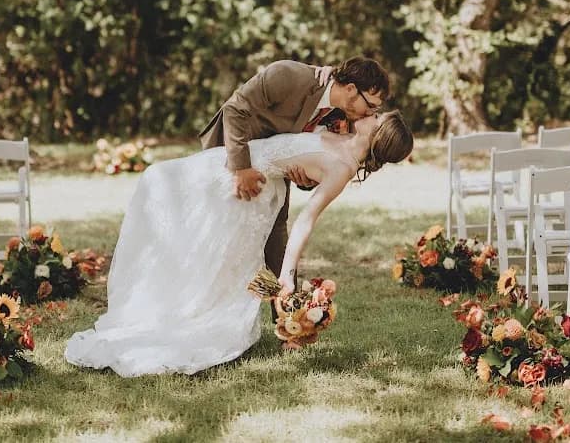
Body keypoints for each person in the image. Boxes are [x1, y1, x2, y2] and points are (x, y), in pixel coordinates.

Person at [64, 107, 413, 377]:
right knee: (164, 191)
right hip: (236, 168)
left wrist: (287, 274)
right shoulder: (341, 134)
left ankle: (176, 317)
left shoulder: (343, 168)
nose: (372, 113)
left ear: (379, 133)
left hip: (246, 190)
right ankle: (163, 304)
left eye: (378, 116)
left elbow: (307, 220)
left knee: (184, 219)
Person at [199, 57, 389, 319]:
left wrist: (306, 180)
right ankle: (208, 313)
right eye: (370, 106)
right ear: (350, 88)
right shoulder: (287, 75)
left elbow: (310, 154)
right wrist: (240, 168)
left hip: (272, 176)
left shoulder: (339, 116)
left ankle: (290, 321)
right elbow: (235, 109)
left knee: (277, 235)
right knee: (220, 241)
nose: (369, 114)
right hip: (229, 158)